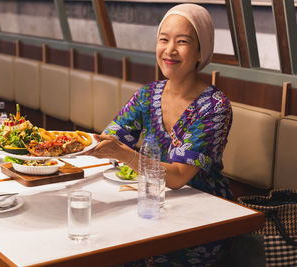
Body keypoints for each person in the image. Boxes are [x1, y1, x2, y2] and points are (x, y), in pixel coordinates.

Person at [84, 3, 233, 266]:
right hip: (151, 206)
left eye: (182, 41)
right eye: (163, 40)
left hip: (199, 221)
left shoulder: (214, 106)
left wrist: (125, 154)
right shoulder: (147, 94)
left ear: (200, 51)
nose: (170, 50)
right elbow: (109, 141)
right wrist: (60, 147)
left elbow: (177, 178)